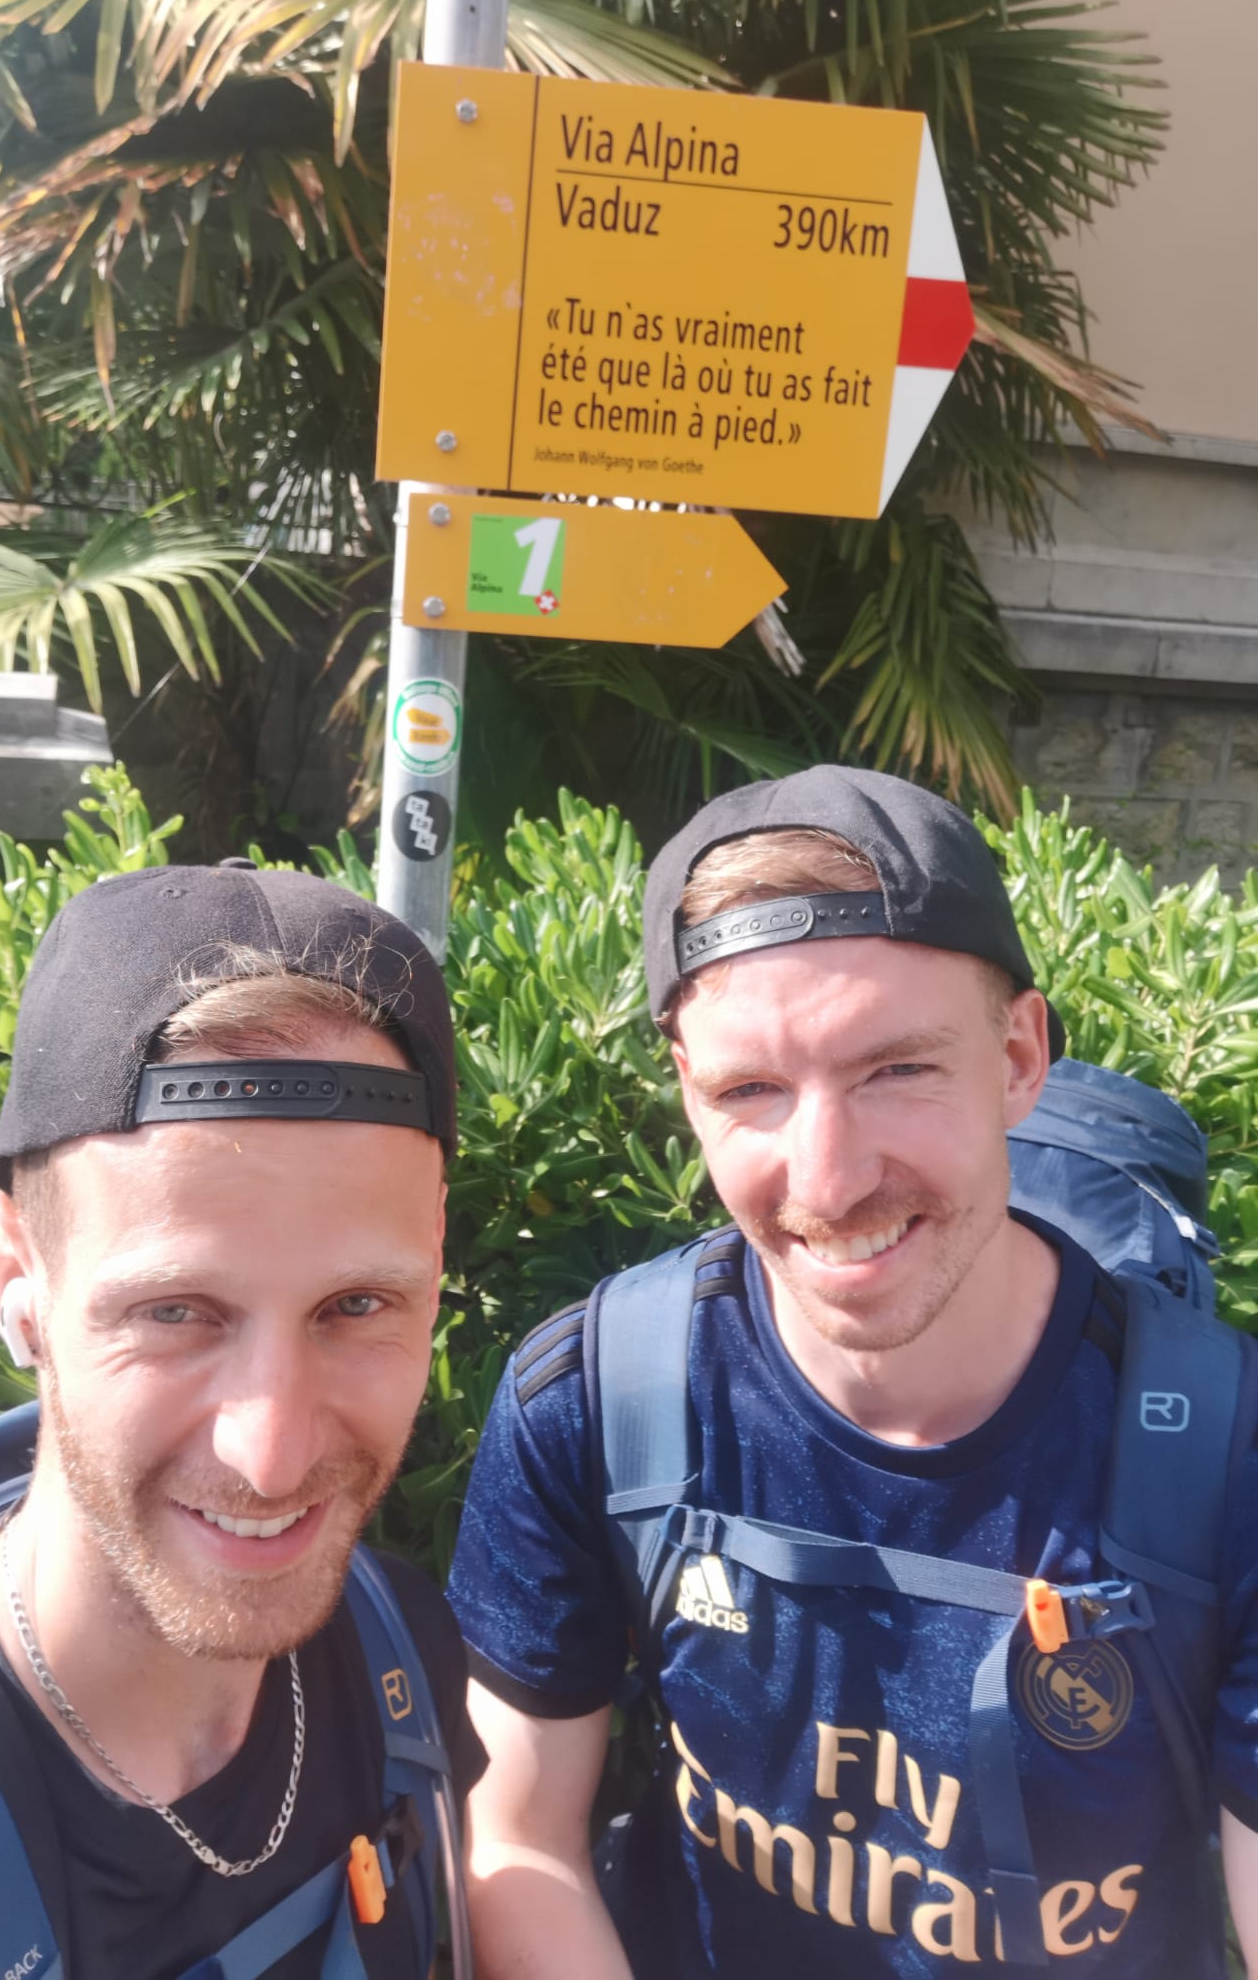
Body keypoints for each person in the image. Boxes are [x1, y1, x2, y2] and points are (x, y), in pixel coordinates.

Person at [447, 766, 1258, 1977]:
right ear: (687, 1093)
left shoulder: (1226, 1455)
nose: (827, 1181)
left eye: (897, 1069)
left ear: (1018, 1055)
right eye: (750, 1089)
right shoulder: (601, 1398)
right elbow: (519, 1837)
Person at [0, 859, 484, 1978]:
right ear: (16, 1277)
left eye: (357, 1305)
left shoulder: (394, 1645)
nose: (271, 1457)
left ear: (434, 1254)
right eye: (175, 1312)